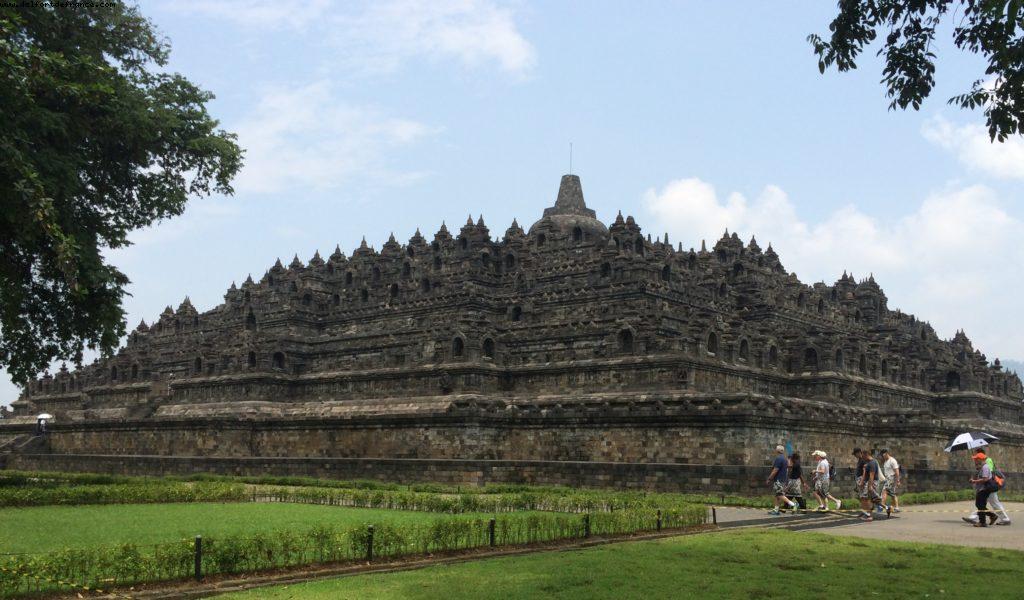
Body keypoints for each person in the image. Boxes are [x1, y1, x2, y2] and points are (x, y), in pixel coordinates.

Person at [961, 450, 1011, 526]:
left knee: (990, 503)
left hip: (988, 486)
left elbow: (988, 474)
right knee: (981, 503)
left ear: (981, 456)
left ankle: (1003, 518)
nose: (975, 459)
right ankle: (976, 517)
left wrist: (977, 477)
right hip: (985, 487)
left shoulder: (988, 462)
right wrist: (978, 468)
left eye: (976, 456)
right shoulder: (983, 464)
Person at [969, 451, 998, 527]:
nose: (975, 460)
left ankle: (983, 522)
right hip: (982, 489)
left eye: (976, 459)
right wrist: (978, 468)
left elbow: (985, 479)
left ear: (980, 459)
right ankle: (991, 516)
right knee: (980, 505)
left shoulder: (985, 467)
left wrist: (974, 481)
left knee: (980, 504)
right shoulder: (983, 467)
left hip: (984, 489)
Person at [858, 449, 888, 520]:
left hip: (872, 482)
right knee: (874, 500)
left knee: (867, 498)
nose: (862, 457)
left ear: (867, 454)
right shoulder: (868, 463)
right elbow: (867, 474)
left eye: (863, 456)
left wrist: (870, 486)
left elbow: (872, 475)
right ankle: (887, 508)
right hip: (870, 482)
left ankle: (869, 516)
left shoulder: (872, 463)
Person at [766, 445, 796, 515]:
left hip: (778, 479)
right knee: (777, 495)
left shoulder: (778, 459)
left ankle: (793, 504)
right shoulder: (785, 459)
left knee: (779, 494)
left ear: (777, 451)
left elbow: (775, 470)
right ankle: (776, 510)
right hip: (783, 479)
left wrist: (769, 478)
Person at [880, 449, 901, 514]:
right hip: (887, 479)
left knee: (884, 491)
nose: (882, 456)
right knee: (892, 494)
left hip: (891, 478)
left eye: (882, 454)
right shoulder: (886, 461)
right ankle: (896, 507)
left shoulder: (892, 460)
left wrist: (897, 480)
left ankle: (882, 506)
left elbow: (897, 471)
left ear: (886, 453)